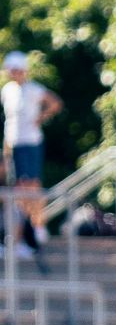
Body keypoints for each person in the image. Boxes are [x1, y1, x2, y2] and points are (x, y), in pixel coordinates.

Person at [1, 51, 62, 255]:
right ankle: (22, 236)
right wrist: (6, 148)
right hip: (15, 143)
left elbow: (55, 103)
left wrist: (41, 117)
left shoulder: (34, 89)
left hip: (31, 142)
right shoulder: (7, 91)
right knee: (19, 189)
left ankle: (37, 225)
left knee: (32, 185)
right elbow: (10, 121)